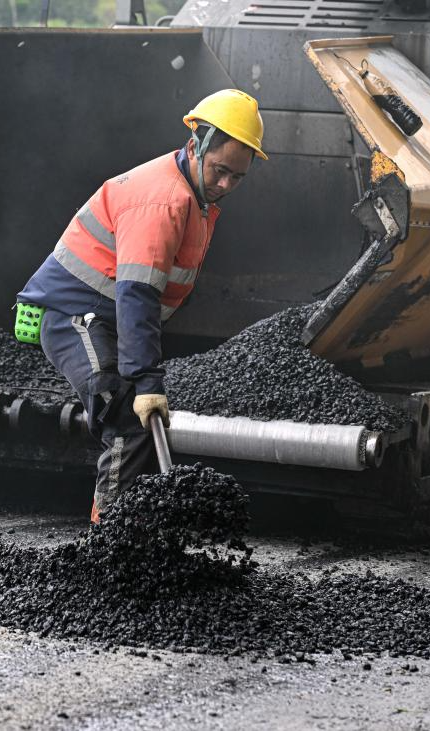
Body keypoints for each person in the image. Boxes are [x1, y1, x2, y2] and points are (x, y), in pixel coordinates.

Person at [17, 89, 267, 523]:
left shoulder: (195, 198)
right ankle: (110, 548)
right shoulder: (163, 201)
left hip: (106, 319)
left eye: (238, 177)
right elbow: (137, 294)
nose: (226, 184)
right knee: (124, 413)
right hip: (75, 316)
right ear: (195, 146)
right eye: (220, 170)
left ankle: (141, 537)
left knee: (141, 420)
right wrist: (147, 381)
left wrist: (147, 377)